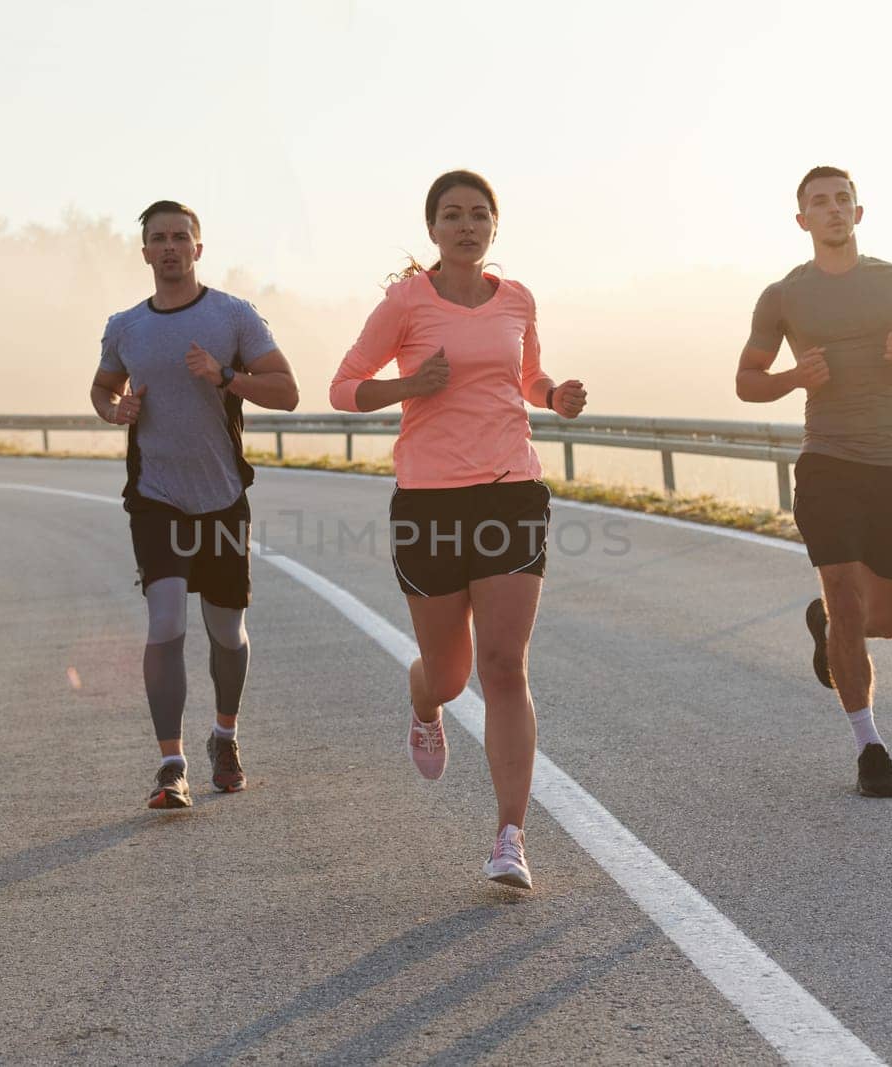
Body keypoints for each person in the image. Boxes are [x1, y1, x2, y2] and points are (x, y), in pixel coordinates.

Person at [329, 170, 587, 888]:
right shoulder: (406, 302)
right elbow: (344, 387)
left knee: (504, 664)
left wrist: (552, 394)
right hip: (430, 502)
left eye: (479, 215)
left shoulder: (517, 299)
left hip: (510, 491)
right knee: (448, 672)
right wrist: (410, 386)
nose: (466, 225)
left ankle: (510, 837)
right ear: (433, 229)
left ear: (494, 229)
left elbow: (525, 377)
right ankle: (423, 704)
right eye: (453, 215)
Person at [735, 166, 892, 798]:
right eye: (819, 203)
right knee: (845, 599)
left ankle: (827, 631)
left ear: (859, 213)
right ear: (801, 220)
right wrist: (792, 379)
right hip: (826, 460)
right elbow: (747, 379)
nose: (832, 210)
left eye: (842, 201)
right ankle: (870, 749)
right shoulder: (782, 296)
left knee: (885, 618)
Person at [91, 199, 299, 809]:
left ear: (199, 248)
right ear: (146, 252)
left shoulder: (233, 316)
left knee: (226, 633)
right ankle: (170, 764)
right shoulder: (126, 326)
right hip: (156, 498)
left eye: (182, 237)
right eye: (160, 239)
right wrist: (115, 410)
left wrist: (225, 376)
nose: (171, 247)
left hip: (223, 498)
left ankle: (225, 737)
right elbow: (104, 387)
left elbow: (286, 392)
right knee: (166, 624)